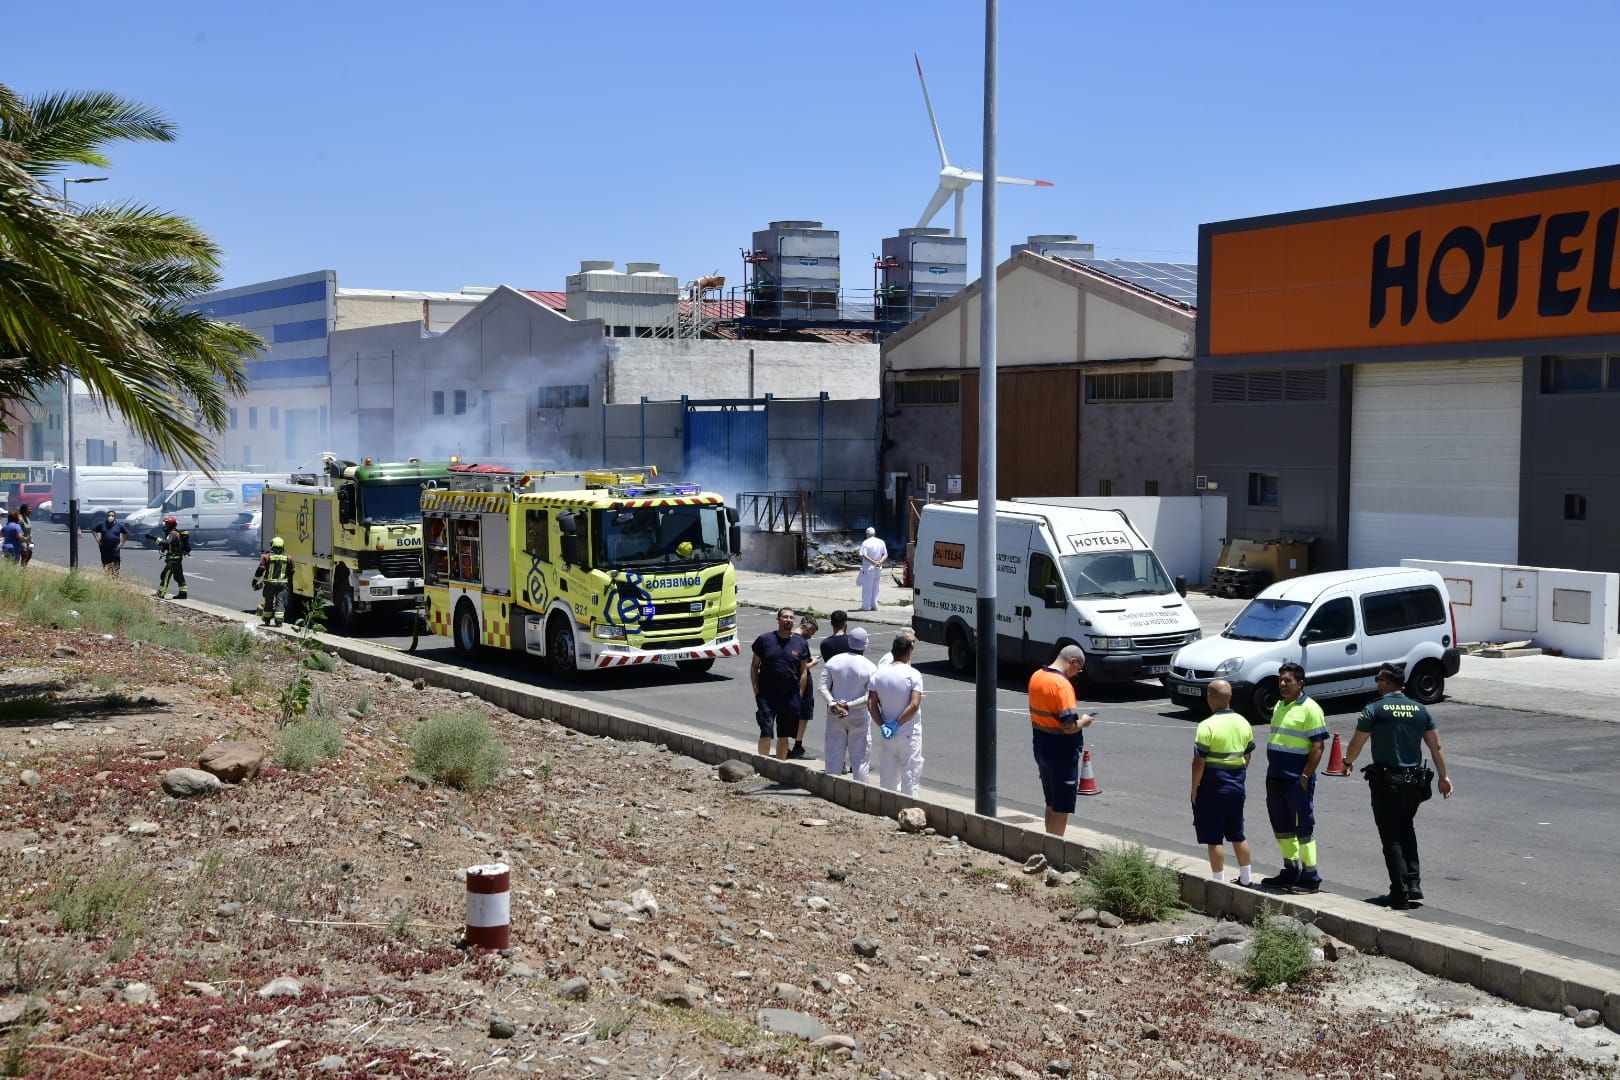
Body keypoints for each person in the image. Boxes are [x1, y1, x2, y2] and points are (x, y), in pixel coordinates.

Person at [1342, 663, 1454, 910]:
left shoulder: (1374, 709)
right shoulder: (1420, 710)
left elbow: (1357, 743)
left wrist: (1347, 762)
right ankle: (1413, 883)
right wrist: (1444, 777)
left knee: (1391, 836)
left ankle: (1399, 892)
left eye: (1377, 681)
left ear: (1384, 683)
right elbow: (1436, 746)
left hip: (1387, 782)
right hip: (1414, 783)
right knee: (1406, 829)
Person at [1260, 662, 1329, 893]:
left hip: (1296, 781)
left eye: (1287, 681)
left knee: (1303, 829)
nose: (1282, 684)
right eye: (1280, 680)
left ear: (1301, 683)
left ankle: (1310, 876)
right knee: (1282, 827)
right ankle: (1290, 870)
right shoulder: (1280, 705)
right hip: (1276, 778)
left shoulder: (1310, 709)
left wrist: (1306, 775)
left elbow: (1318, 746)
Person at [1190, 679, 1255, 885]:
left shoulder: (1206, 726)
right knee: (1237, 834)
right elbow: (1248, 756)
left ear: (1210, 696)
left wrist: (1194, 788)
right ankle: (1246, 879)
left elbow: (1199, 761)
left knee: (1214, 838)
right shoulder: (1243, 722)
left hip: (1212, 787)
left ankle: (1219, 882)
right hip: (1236, 785)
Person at [1028, 644, 1097, 836]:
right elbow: (1068, 726)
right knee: (1062, 807)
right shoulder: (1062, 686)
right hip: (1062, 751)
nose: (1077, 673)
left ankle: (1047, 846)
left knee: (1051, 802)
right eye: (1079, 669)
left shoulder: (1037, 677)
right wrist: (1084, 721)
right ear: (1073, 662)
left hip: (1041, 744)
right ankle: (1054, 851)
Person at [867, 635, 925, 796]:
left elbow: (871, 704)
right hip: (908, 732)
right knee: (910, 774)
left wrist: (884, 725)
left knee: (888, 774)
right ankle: (909, 809)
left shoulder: (878, 675)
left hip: (887, 733)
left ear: (892, 652)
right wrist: (897, 723)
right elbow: (914, 704)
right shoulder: (913, 674)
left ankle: (887, 808)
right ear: (909, 652)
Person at [750, 607, 810, 760]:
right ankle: (762, 766)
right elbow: (754, 666)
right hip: (766, 695)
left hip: (790, 697)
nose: (788, 620)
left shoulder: (800, 643)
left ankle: (780, 765)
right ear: (778, 620)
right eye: (785, 617)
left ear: (794, 621)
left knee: (784, 736)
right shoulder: (764, 640)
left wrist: (800, 694)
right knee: (766, 733)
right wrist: (756, 690)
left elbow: (803, 671)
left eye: (791, 617)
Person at [819, 626, 877, 781]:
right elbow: (869, 697)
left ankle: (831, 791)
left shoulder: (834, 660)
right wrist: (849, 706)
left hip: (835, 715)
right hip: (858, 715)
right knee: (860, 761)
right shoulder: (870, 666)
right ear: (865, 644)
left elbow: (822, 687)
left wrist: (833, 704)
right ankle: (860, 794)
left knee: (833, 756)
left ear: (849, 641)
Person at [790, 616, 821, 760]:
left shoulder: (790, 638)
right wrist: (812, 663)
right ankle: (797, 746)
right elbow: (800, 668)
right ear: (807, 627)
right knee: (804, 714)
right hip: (801, 683)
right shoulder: (801, 641)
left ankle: (789, 745)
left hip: (792, 682)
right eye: (812, 631)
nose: (812, 635)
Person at [149, 514, 190, 599]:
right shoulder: (175, 533)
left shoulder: (173, 533)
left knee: (165, 575)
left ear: (170, 525)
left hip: (173, 560)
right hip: (177, 559)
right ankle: (183, 593)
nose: (165, 526)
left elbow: (166, 542)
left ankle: (161, 593)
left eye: (166, 524)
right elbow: (170, 545)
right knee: (179, 576)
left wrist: (154, 538)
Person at [252, 536, 291, 626]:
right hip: (282, 584)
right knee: (280, 601)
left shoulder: (266, 557)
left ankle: (267, 619)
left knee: (268, 601)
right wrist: (288, 582)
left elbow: (260, 571)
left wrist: (254, 582)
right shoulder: (288, 558)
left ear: (272, 545)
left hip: (269, 584)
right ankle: (279, 621)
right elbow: (291, 571)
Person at [857, 527, 888, 611]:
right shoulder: (881, 542)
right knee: (876, 588)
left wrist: (873, 562)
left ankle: (866, 607)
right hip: (878, 568)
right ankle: (874, 605)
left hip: (868, 569)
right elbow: (885, 555)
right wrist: (879, 562)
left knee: (867, 588)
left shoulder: (865, 542)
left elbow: (864, 555)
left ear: (867, 534)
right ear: (874, 534)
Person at [90, 510, 128, 576]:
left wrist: (122, 543)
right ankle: (108, 578)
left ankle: (115, 578)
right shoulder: (102, 525)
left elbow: (126, 533)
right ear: (106, 517)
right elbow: (93, 530)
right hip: (104, 548)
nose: (110, 517)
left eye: (112, 516)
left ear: (115, 517)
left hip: (115, 548)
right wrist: (98, 540)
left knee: (116, 565)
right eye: (109, 516)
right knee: (106, 564)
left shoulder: (118, 526)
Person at [16, 503, 33, 567]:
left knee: (29, 554)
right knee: (24, 553)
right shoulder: (20, 519)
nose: (31, 510)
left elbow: (29, 530)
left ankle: (24, 566)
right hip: (22, 539)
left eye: (31, 509)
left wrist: (31, 538)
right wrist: (23, 539)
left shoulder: (27, 518)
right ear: (24, 510)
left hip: (28, 539)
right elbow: (18, 530)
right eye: (29, 509)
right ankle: (22, 568)